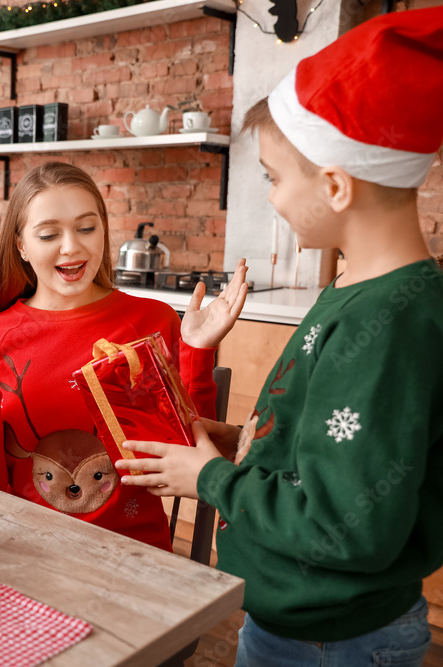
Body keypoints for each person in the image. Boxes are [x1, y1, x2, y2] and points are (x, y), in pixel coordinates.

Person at [116, 9, 443, 665]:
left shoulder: (392, 325)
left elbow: (345, 526)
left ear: (335, 186)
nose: (271, 195)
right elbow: (323, 454)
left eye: (272, 176)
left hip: (334, 642)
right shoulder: (359, 290)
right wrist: (233, 444)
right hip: (296, 624)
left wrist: (210, 477)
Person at [0, 162, 247, 550]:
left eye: (86, 228)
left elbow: (195, 453)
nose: (72, 247)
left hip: (134, 552)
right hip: (22, 550)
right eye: (48, 234)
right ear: (21, 246)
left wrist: (198, 350)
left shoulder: (151, 319)